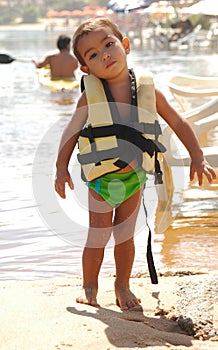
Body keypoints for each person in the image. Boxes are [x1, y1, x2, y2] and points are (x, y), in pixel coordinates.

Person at [54, 18, 217, 311]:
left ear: (125, 45)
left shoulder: (147, 91)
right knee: (98, 235)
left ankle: (122, 284)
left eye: (108, 44)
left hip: (135, 180)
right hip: (101, 181)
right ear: (86, 69)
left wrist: (197, 155)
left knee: (125, 236)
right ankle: (89, 286)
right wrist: (60, 168)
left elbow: (178, 121)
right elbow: (71, 131)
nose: (104, 54)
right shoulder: (89, 98)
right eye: (92, 54)